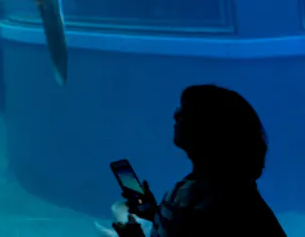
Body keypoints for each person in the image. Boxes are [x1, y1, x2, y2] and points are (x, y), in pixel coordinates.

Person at [112, 84, 285, 237]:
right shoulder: (213, 189)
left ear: (211, 128)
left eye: (186, 111)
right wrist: (154, 213)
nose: (175, 114)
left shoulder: (214, 204)